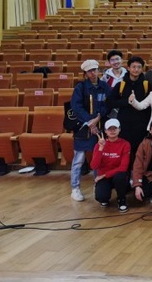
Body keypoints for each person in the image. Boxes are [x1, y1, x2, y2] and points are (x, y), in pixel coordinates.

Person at [69, 59, 111, 202]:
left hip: (99, 126)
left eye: (95, 70)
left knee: (98, 158)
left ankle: (97, 184)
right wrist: (90, 122)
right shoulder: (80, 87)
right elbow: (76, 107)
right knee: (79, 160)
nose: (93, 73)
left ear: (99, 70)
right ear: (85, 73)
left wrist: (98, 117)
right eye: (89, 71)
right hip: (83, 128)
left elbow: (108, 104)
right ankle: (75, 188)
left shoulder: (104, 86)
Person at [107, 56, 152, 170]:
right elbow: (111, 102)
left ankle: (138, 174)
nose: (136, 69)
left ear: (142, 69)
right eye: (133, 67)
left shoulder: (147, 85)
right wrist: (126, 101)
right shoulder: (121, 85)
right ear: (128, 68)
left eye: (139, 67)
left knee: (140, 151)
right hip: (125, 124)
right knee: (126, 151)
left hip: (141, 124)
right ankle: (125, 174)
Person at [90, 119, 131, 212]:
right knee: (101, 197)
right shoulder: (98, 145)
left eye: (115, 128)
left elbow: (123, 167)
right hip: (104, 177)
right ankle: (105, 195)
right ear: (105, 131)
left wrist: (104, 175)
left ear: (119, 129)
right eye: (109, 129)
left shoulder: (125, 144)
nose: (112, 131)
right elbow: (94, 166)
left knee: (120, 176)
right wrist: (101, 148)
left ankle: (122, 199)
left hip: (116, 175)